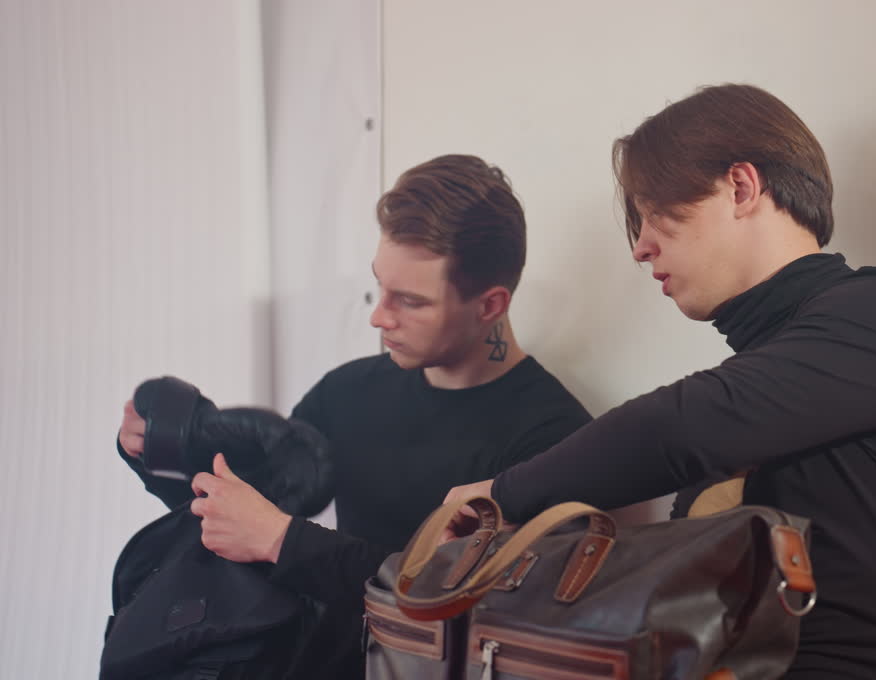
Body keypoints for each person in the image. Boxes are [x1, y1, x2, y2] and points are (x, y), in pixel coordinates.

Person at [443, 85, 876, 679]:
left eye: (654, 213)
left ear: (741, 187)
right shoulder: (769, 376)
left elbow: (676, 427)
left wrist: (503, 493)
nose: (640, 246)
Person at [116, 154, 593, 678]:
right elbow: (246, 517)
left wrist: (283, 540)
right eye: (379, 287)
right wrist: (164, 451)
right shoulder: (347, 390)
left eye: (409, 301)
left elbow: (473, 607)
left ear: (489, 305)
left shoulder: (555, 440)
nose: (379, 316)